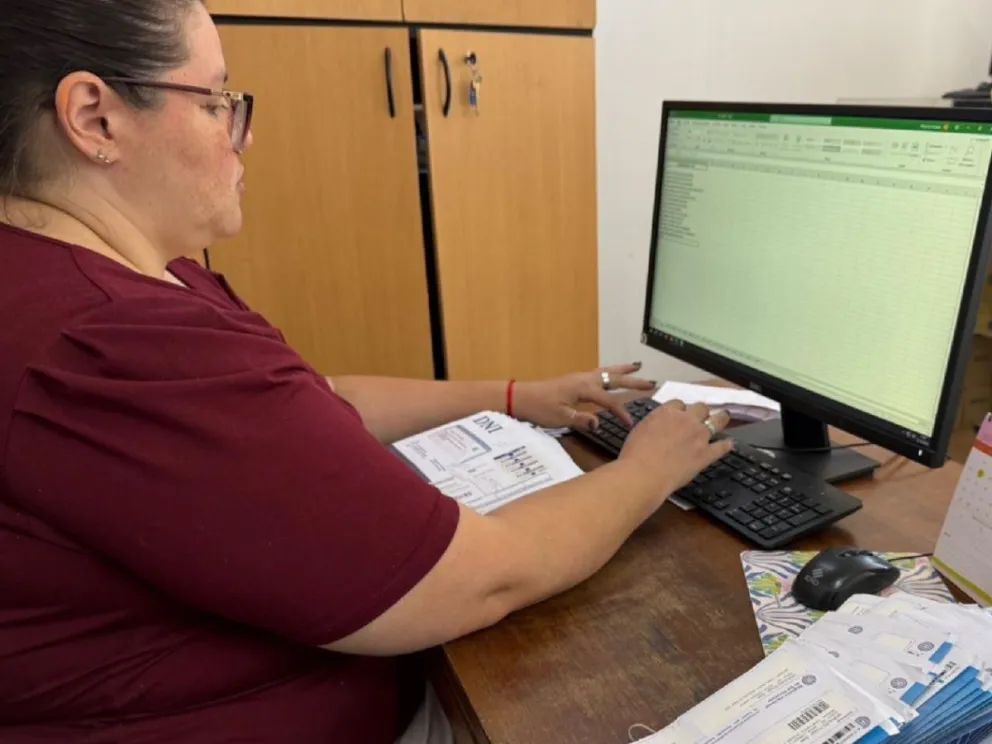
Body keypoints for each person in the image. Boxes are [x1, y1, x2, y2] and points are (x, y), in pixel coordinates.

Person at [0, 1, 733, 742]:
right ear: (95, 118)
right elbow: (482, 577)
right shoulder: (115, 342)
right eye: (217, 101)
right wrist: (647, 472)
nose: (244, 134)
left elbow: (316, 402)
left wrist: (516, 396)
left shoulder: (91, 278)